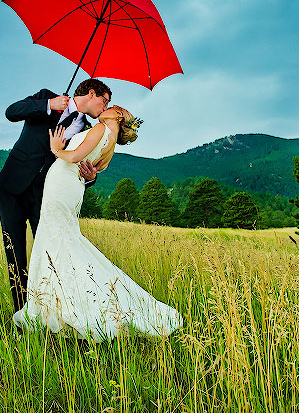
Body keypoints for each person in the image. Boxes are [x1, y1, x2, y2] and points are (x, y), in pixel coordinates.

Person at [13, 106, 183, 339]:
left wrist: (56, 150)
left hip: (63, 182)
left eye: (111, 106)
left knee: (54, 242)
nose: (107, 107)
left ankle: (61, 309)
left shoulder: (102, 128)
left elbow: (73, 157)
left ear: (118, 115)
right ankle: (57, 307)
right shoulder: (110, 142)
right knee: (63, 242)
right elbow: (93, 170)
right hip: (72, 186)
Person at [0, 78, 112, 313]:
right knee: (15, 254)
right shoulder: (45, 96)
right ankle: (22, 314)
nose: (106, 107)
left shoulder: (89, 131)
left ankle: (48, 312)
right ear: (91, 93)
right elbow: (11, 112)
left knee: (49, 255)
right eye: (104, 100)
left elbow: (79, 168)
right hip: (13, 187)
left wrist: (90, 178)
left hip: (47, 198)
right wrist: (48, 104)